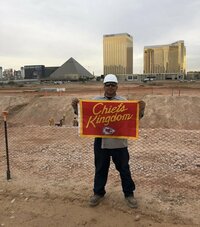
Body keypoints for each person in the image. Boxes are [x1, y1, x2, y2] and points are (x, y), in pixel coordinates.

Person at [71, 74, 145, 208]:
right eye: (107, 85)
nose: (110, 87)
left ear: (117, 86)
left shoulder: (123, 101)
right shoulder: (96, 101)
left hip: (119, 142)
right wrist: (76, 108)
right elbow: (85, 117)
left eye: (112, 85)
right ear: (103, 86)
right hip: (101, 142)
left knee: (124, 169)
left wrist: (140, 111)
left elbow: (132, 120)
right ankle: (98, 193)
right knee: (100, 169)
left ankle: (129, 194)